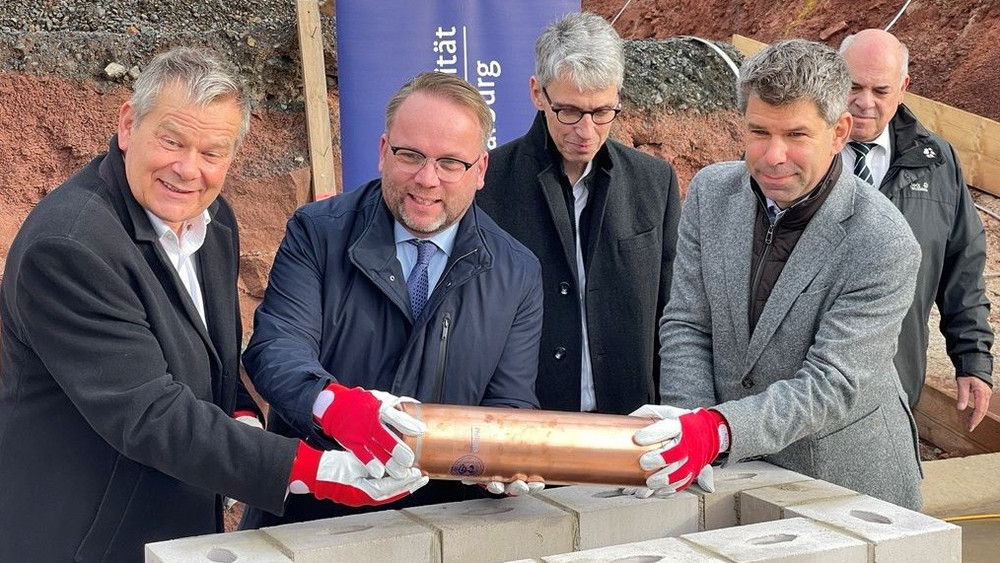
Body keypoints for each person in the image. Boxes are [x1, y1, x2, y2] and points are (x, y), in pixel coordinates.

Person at [0, 47, 429, 562]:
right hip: (80, 536)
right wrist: (310, 469)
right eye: (171, 141)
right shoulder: (70, 247)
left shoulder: (212, 218)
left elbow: (213, 357)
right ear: (128, 124)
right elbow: (150, 414)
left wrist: (243, 414)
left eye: (212, 152)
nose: (188, 170)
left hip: (173, 526)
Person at [240, 71, 545, 529]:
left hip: (441, 529)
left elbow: (509, 404)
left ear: (480, 170)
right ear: (384, 151)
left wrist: (504, 460)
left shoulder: (518, 271)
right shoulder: (317, 233)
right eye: (410, 155)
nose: (427, 179)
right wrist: (334, 406)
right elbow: (275, 353)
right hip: (310, 521)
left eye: (449, 162)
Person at [629, 39, 924, 509]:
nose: (773, 155)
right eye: (759, 132)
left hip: (844, 482)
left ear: (840, 131)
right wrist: (690, 424)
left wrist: (719, 430)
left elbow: (831, 383)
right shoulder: (710, 193)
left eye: (796, 135)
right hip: (728, 471)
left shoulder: (882, 242)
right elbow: (687, 322)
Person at [478, 12, 680, 415]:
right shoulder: (486, 182)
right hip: (525, 431)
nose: (586, 131)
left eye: (603, 112)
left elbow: (672, 314)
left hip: (633, 427)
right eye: (569, 111)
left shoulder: (654, 181)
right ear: (538, 93)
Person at [839, 29, 993, 430]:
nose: (864, 102)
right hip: (802, 385)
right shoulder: (793, 156)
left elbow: (963, 266)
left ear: (904, 87)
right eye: (853, 85)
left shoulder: (938, 162)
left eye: (880, 89)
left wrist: (972, 360)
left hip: (897, 381)